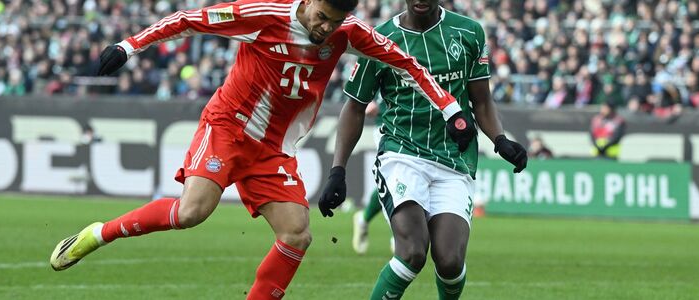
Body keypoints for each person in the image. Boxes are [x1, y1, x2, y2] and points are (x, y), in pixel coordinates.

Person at [48, 0, 478, 298]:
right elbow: (188, 19)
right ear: (308, 1)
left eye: (337, 20)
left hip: (273, 149)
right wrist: (128, 46)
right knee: (193, 211)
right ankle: (97, 234)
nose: (327, 28)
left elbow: (406, 62)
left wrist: (452, 109)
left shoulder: (349, 31)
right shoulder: (263, 15)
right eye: (324, 17)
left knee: (297, 233)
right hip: (229, 128)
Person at [317, 0, 528, 298]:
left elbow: (481, 100)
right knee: (412, 252)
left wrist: (501, 140)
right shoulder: (378, 39)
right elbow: (354, 107)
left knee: (451, 262)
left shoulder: (469, 33)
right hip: (401, 154)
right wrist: (337, 170)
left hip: (454, 161)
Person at [352, 100, 395, 255]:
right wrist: (372, 101)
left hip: (418, 127)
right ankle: (398, 234)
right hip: (388, 125)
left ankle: (363, 219)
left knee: (396, 182)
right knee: (394, 180)